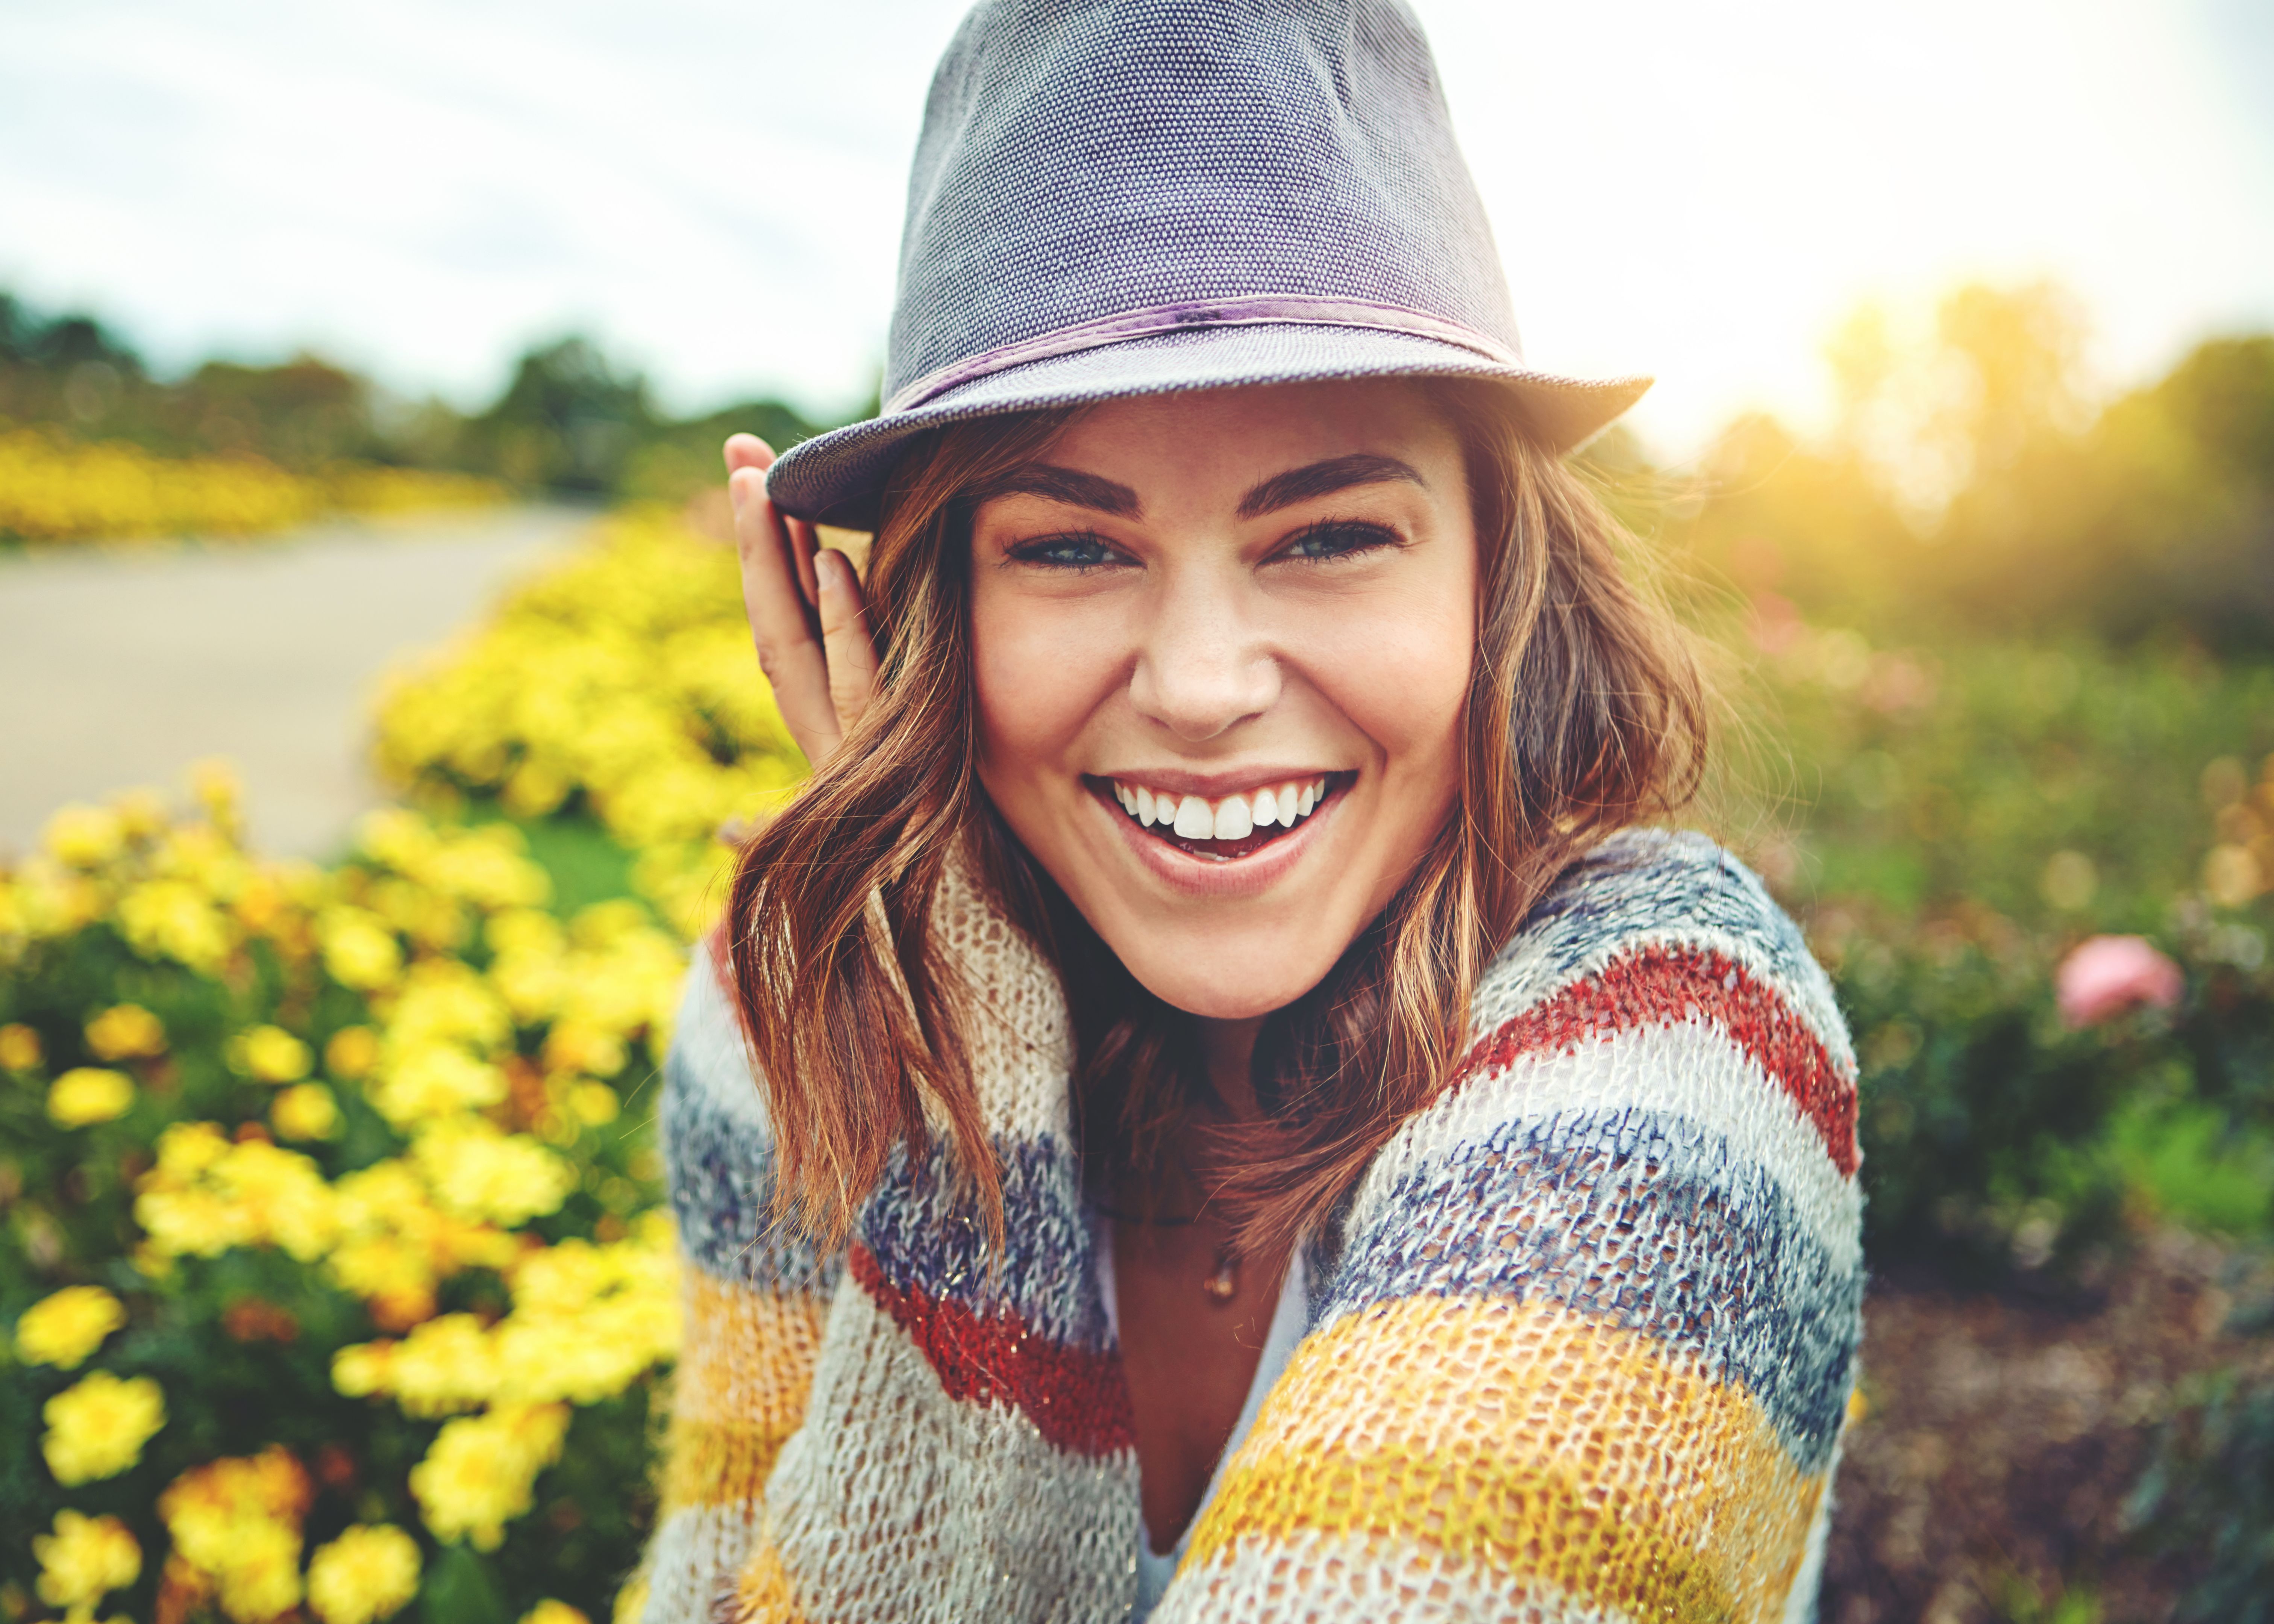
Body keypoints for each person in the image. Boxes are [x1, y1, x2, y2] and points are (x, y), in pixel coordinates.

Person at [631, 3, 1863, 1620]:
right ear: (937, 608)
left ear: (1499, 578)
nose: (1204, 685)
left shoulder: (1684, 1045)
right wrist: (951, 1043)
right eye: (1072, 547)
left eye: (1332, 535)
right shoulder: (783, 1011)